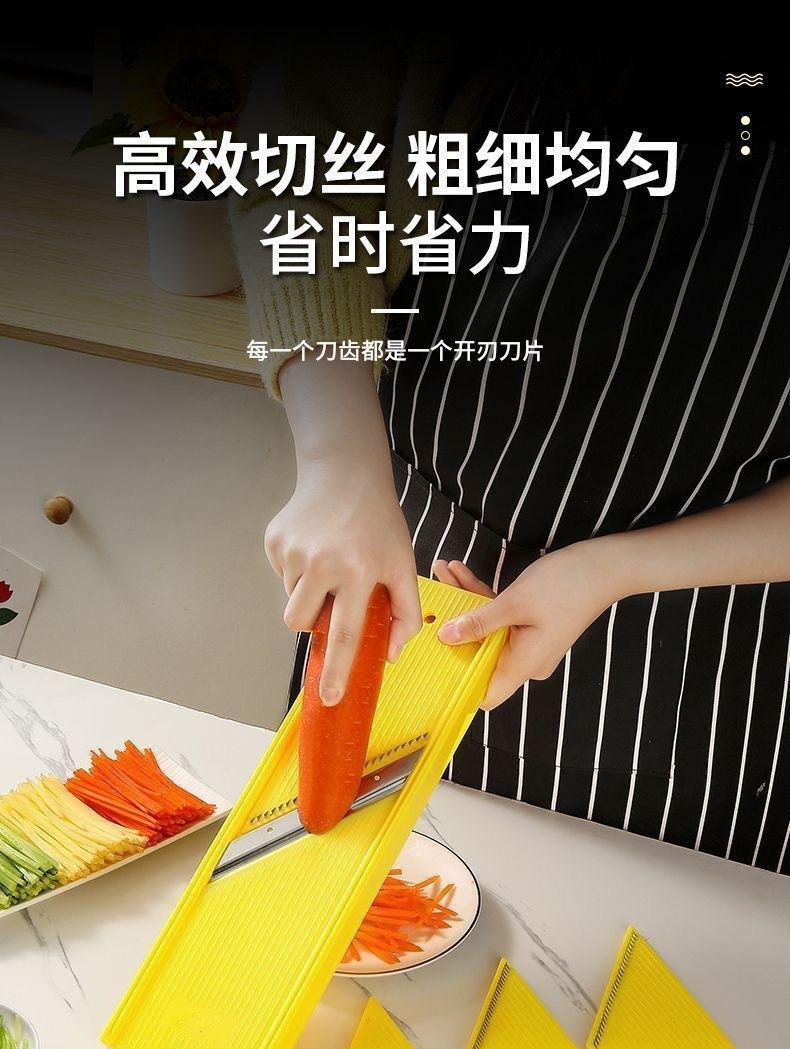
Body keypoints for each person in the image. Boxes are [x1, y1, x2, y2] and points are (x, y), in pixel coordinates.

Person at [233, 38, 790, 873]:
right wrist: (336, 458)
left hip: (696, 639)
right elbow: (300, 151)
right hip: (408, 540)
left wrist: (614, 569)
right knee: (326, 869)